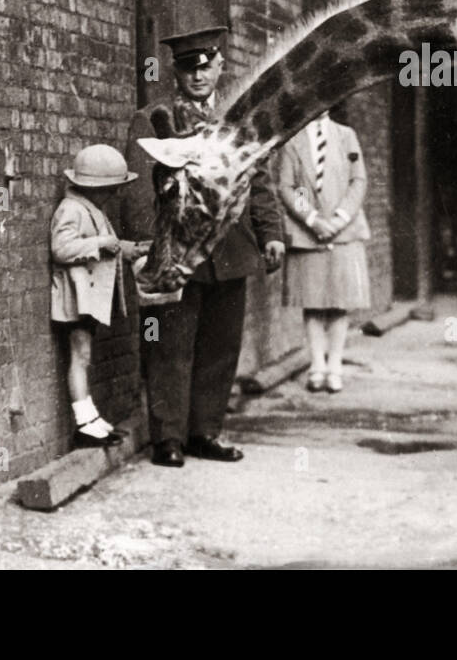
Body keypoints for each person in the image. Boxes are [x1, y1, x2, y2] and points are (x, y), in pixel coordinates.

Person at [122, 25, 285, 467]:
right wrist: (151, 249)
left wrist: (271, 233)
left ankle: (205, 432)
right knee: (170, 345)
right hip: (178, 252)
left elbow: (259, 180)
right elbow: (138, 188)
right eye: (187, 70)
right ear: (175, 73)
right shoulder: (155, 119)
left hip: (231, 248)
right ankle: (168, 438)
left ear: (219, 66)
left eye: (205, 67)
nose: (197, 77)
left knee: (220, 345)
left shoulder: (238, 120)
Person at [50, 144, 150, 449]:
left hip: (86, 297)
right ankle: (83, 422)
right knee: (80, 357)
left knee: (84, 356)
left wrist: (127, 247)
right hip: (75, 298)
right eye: (111, 189)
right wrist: (104, 242)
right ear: (96, 187)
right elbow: (61, 248)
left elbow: (104, 242)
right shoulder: (71, 209)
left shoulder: (89, 208)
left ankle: (91, 418)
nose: (115, 195)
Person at [277, 110, 371, 393]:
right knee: (313, 301)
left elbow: (358, 180)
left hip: (345, 230)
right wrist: (313, 221)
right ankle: (317, 365)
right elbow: (287, 186)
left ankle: (335, 366)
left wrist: (340, 218)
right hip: (308, 233)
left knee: (339, 302)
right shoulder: (292, 141)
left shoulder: (346, 136)